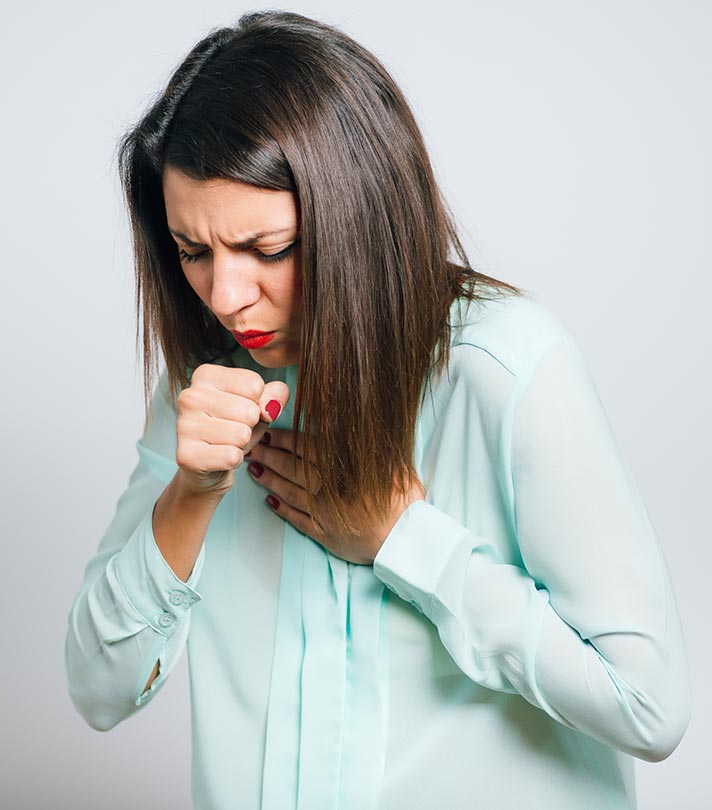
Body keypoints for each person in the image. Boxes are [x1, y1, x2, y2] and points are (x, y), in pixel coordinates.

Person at [64, 9, 692, 809]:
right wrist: (190, 497)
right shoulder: (203, 388)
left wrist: (406, 538)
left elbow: (650, 703)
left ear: (358, 215)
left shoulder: (505, 370)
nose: (225, 295)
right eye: (193, 251)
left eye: (269, 249)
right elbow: (96, 689)